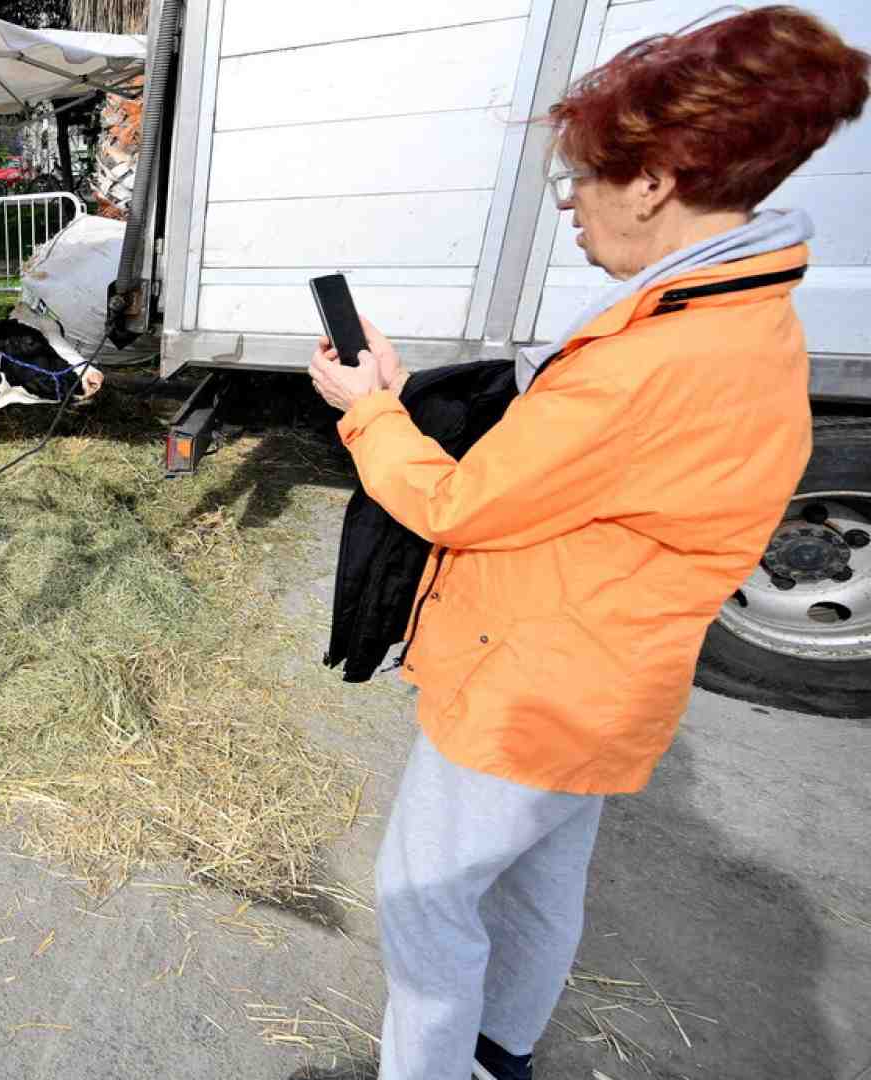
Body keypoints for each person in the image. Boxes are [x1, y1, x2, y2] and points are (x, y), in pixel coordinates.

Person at [301, 10, 868, 1080]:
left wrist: (369, 409)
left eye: (577, 181)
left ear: (651, 180)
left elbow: (463, 507)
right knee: (537, 886)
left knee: (423, 904)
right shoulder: (747, 322)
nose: (571, 210)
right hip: (611, 687)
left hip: (529, 686)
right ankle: (500, 1052)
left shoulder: (654, 356)